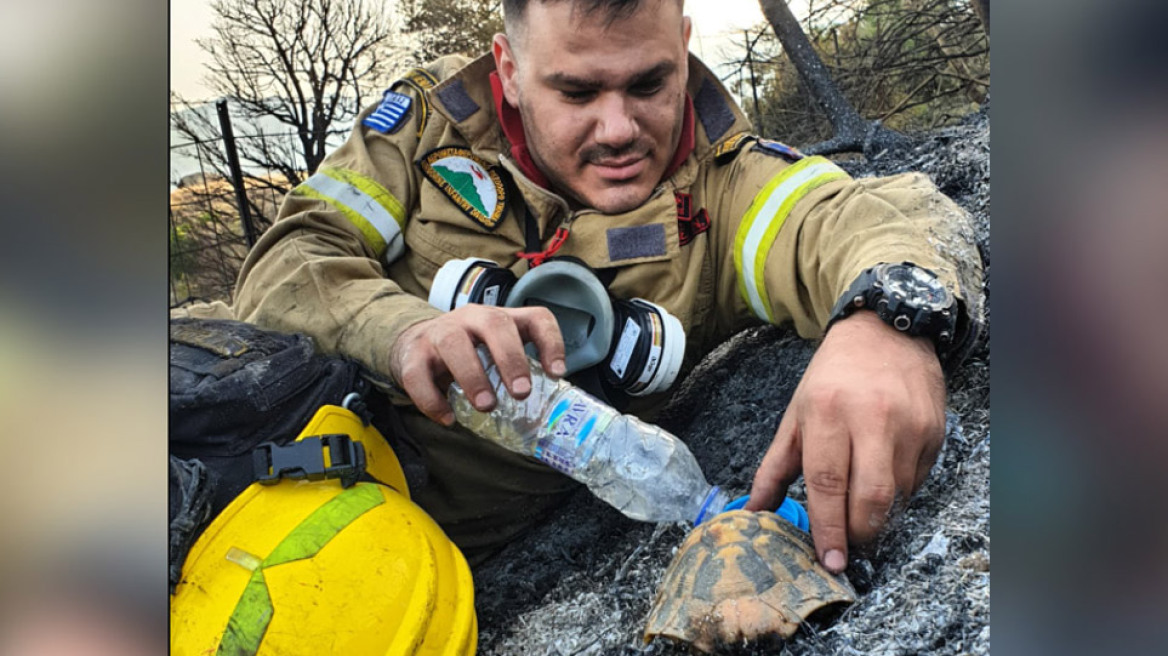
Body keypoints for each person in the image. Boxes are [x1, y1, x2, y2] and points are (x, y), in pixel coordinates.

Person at [232, 0, 983, 574]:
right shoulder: (423, 131)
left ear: (683, 51)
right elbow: (287, 260)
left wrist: (890, 320)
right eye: (578, 92)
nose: (620, 128)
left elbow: (864, 217)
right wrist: (403, 331)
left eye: (650, 83)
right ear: (509, 70)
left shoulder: (723, 189)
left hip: (467, 564)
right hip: (299, 486)